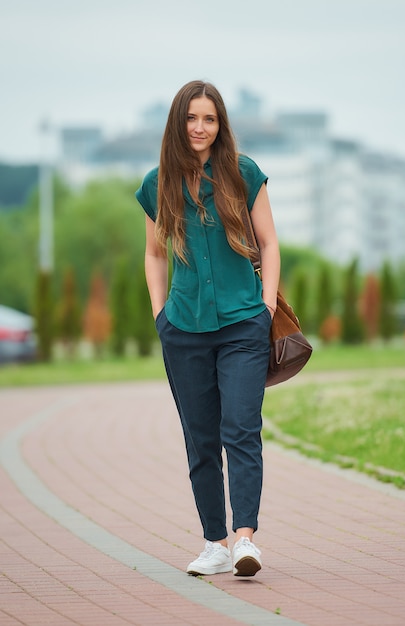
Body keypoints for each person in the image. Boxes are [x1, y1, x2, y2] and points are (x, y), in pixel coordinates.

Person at [135, 80, 280, 577]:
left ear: (221, 125)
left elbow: (270, 243)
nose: (200, 127)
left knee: (240, 429)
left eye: (210, 118)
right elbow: (155, 254)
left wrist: (263, 310)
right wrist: (161, 316)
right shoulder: (158, 183)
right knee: (200, 440)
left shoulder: (243, 174)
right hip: (184, 328)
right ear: (179, 123)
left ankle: (245, 540)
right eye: (192, 118)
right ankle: (214, 543)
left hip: (243, 324)